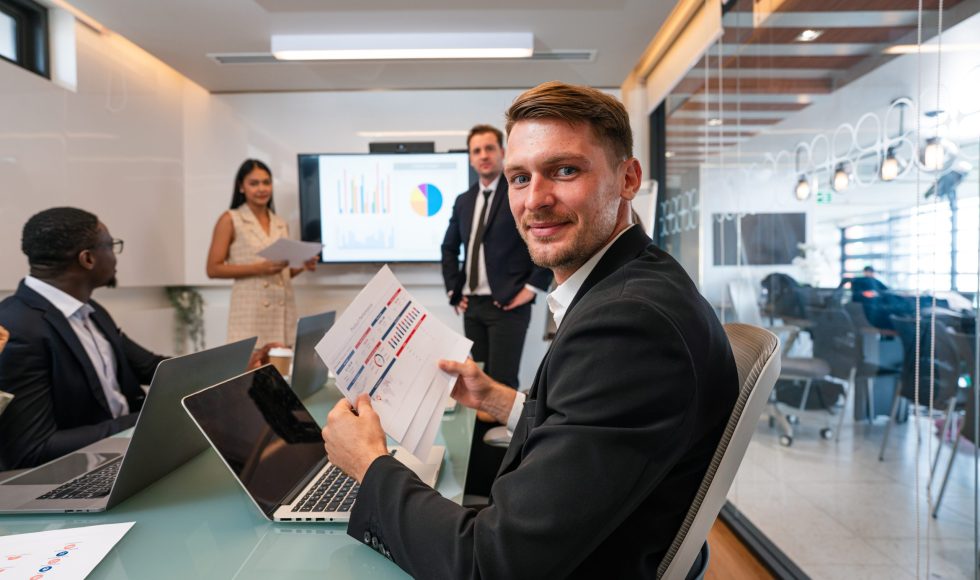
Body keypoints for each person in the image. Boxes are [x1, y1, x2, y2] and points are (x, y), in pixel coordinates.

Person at [322, 82, 739, 577]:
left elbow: (491, 565)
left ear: (628, 178)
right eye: (519, 178)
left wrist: (369, 464)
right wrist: (501, 400)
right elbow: (592, 430)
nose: (535, 199)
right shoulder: (633, 281)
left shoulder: (629, 324)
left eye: (565, 170)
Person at [0, 207, 167, 470]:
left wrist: (229, 368)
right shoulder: (17, 328)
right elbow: (32, 449)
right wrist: (147, 420)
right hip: (81, 470)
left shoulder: (91, 310)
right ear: (87, 258)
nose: (115, 256)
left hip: (128, 450)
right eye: (111, 245)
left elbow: (152, 367)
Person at [441, 124, 553, 496]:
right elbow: (449, 248)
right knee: (474, 390)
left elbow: (542, 232)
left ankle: (504, 487)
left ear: (502, 152)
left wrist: (533, 288)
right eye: (476, 150)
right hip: (473, 306)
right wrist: (453, 290)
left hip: (508, 305)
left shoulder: (519, 193)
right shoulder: (462, 200)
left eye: (490, 148)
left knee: (500, 391)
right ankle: (479, 481)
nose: (483, 155)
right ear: (470, 157)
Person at [206, 159, 316, 347]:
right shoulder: (230, 219)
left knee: (281, 374)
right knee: (251, 373)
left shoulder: (280, 223)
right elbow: (213, 269)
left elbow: (281, 273)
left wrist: (302, 266)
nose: (262, 188)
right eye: (254, 183)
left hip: (281, 312)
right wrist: (259, 268)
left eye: (266, 182)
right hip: (250, 314)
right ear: (241, 187)